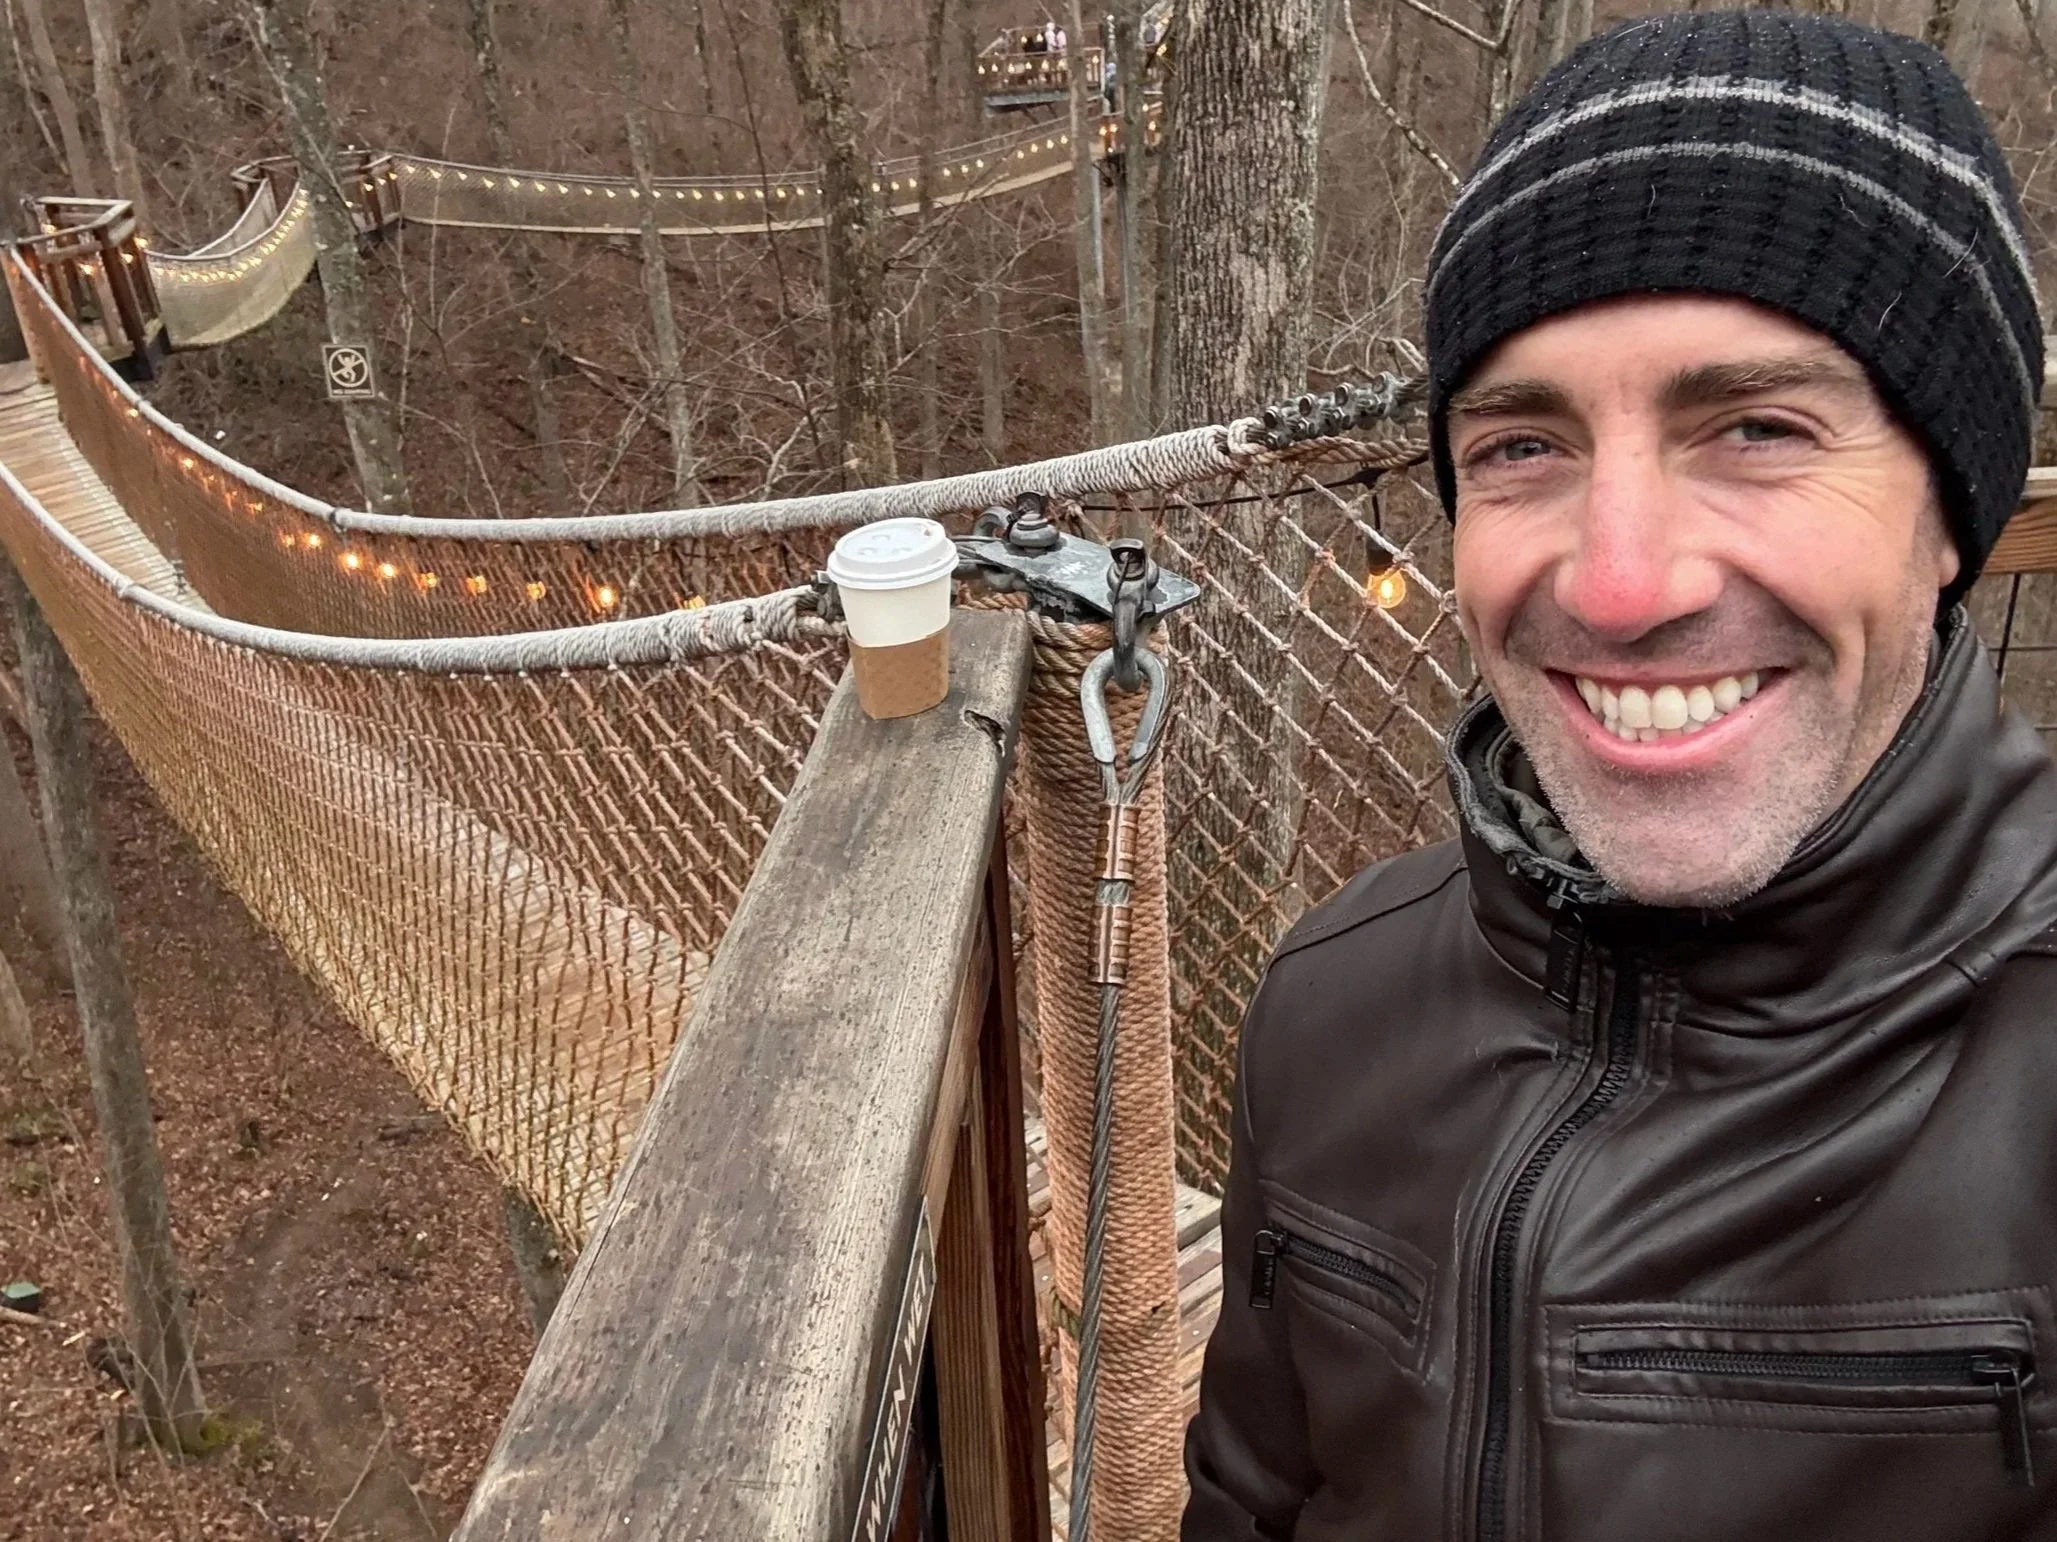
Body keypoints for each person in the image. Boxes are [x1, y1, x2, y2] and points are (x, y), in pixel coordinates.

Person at [1182, 10, 2057, 1541]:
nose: (1623, 582)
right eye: (1523, 445)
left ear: (1949, 517)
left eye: (1761, 428)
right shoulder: (1330, 1002)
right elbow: (1251, 1500)